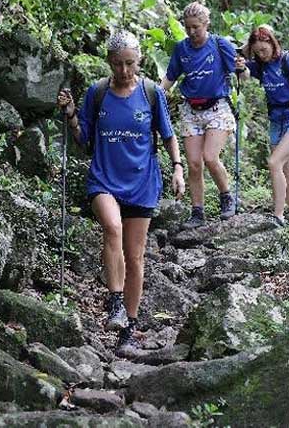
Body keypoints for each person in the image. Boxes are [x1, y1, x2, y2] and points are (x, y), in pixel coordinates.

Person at [57, 30, 183, 357]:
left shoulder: (152, 93)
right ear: (109, 62)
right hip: (104, 179)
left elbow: (168, 135)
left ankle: (128, 330)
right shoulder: (97, 93)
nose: (124, 70)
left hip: (142, 182)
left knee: (136, 256)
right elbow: (83, 138)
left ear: (138, 61)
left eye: (129, 63)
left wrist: (179, 167)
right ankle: (114, 303)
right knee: (111, 228)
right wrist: (71, 113)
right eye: (117, 64)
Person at [162, 0, 242, 228]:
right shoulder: (181, 48)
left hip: (217, 107)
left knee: (210, 157)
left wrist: (242, 68)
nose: (191, 31)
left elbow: (240, 73)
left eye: (196, 26)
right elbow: (170, 77)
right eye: (187, 27)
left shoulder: (219, 44)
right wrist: (155, 96)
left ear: (206, 24)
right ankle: (197, 212)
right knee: (194, 163)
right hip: (191, 109)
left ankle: (227, 196)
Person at [239, 25, 289, 231]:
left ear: (272, 44)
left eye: (264, 50)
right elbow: (242, 67)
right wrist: (250, 45)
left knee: (274, 163)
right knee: (288, 175)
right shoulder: (260, 65)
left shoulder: (288, 61)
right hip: (276, 121)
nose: (261, 55)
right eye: (257, 52)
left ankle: (278, 215)